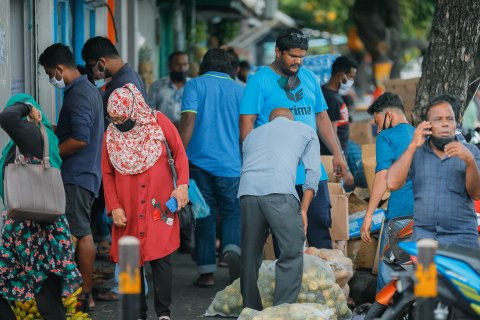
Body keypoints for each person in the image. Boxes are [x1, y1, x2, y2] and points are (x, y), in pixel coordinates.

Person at [240, 28, 347, 249]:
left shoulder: (308, 78)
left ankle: (322, 281)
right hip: (278, 174)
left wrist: (337, 153)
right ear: (278, 52)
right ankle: (290, 283)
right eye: (292, 56)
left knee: (319, 228)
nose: (297, 62)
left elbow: (322, 117)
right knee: (285, 238)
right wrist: (251, 160)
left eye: (301, 57)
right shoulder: (259, 81)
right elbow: (247, 121)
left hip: (311, 171)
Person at [102, 83, 189, 320]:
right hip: (126, 209)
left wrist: (182, 186)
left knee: (161, 259)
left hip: (158, 205)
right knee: (129, 262)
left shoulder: (158, 123)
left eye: (121, 118)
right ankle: (135, 313)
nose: (118, 123)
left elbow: (179, 152)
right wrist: (114, 206)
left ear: (132, 110)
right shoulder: (110, 135)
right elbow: (107, 173)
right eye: (113, 118)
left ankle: (163, 313)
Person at [0, 94, 82, 320]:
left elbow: (6, 117)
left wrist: (26, 107)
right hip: (34, 233)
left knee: (48, 302)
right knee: (48, 301)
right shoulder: (33, 138)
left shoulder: (33, 135)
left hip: (37, 234)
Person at [38, 43, 104, 311]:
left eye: (48, 73)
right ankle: (75, 291)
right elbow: (74, 130)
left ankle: (83, 296)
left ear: (58, 69)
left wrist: (50, 156)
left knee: (81, 233)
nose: (50, 78)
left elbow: (80, 138)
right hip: (85, 173)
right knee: (76, 232)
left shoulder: (77, 95)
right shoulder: (86, 89)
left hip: (77, 175)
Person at [82, 36, 147, 302]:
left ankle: (128, 286)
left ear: (101, 63)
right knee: (126, 226)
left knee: (127, 226)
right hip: (128, 164)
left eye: (92, 67)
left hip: (127, 166)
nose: (93, 74)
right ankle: (129, 283)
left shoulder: (124, 84)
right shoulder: (127, 78)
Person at [239, 108, 320, 310]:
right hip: (280, 193)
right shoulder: (305, 130)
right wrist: (303, 209)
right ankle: (281, 310)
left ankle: (250, 308)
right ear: (290, 118)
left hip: (247, 193)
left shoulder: (252, 135)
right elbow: (313, 174)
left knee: (250, 253)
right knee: (291, 252)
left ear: (270, 119)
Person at [179, 48, 244, 287]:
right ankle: (231, 248)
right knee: (232, 212)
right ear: (230, 67)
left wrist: (178, 155)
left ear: (204, 65)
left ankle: (206, 273)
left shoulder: (195, 85)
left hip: (198, 164)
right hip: (231, 165)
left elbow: (188, 119)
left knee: (203, 215)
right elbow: (245, 129)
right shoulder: (240, 90)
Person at [387, 95, 480, 247]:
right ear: (427, 126)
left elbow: (476, 194)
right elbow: (392, 183)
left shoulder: (470, 152)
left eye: (450, 119)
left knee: (457, 272)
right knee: (426, 272)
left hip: (463, 238)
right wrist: (412, 146)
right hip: (425, 239)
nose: (445, 124)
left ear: (456, 123)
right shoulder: (416, 153)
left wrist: (469, 162)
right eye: (438, 119)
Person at [360, 92, 415, 291]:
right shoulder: (419, 134)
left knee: (389, 276)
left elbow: (382, 175)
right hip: (427, 218)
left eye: (377, 122)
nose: (377, 128)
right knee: (423, 275)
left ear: (389, 116)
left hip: (401, 218)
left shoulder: (386, 137)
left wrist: (368, 215)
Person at [82, 36, 146, 129]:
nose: (92, 72)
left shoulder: (121, 86)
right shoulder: (132, 75)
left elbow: (121, 129)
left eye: (92, 66)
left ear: (102, 62)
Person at [320, 56, 358, 156]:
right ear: (341, 76)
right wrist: (340, 157)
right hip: (334, 157)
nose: (352, 81)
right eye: (351, 77)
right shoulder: (332, 99)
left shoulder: (326, 91)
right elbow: (332, 134)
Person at [147, 51, 190, 127]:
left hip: (188, 134)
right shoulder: (157, 86)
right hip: (163, 133)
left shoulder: (194, 86)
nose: (182, 68)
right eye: (178, 65)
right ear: (169, 66)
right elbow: (149, 112)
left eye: (185, 64)